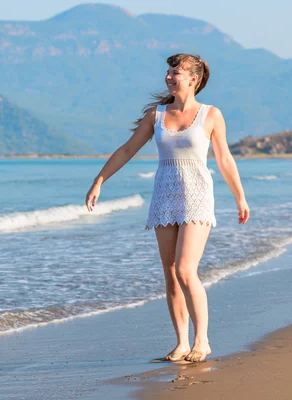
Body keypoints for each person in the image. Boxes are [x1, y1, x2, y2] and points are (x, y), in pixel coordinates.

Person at [84, 53, 250, 363]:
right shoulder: (155, 115)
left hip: (197, 196)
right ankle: (181, 343)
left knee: (187, 269)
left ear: (193, 79)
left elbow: (225, 159)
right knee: (171, 274)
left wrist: (240, 196)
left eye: (176, 72)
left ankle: (202, 340)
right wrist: (99, 181)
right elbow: (127, 149)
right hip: (164, 197)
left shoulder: (211, 114)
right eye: (168, 71)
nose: (169, 76)